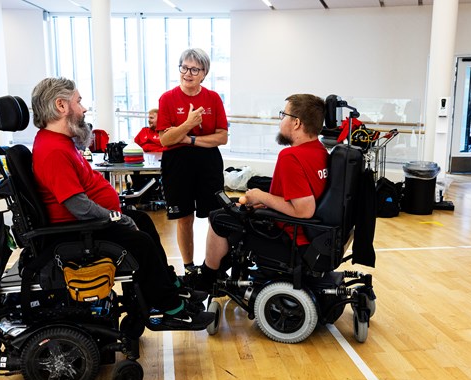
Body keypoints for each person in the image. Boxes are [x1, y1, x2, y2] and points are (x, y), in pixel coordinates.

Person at [30, 77, 213, 330]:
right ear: (61, 106)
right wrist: (115, 217)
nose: (83, 109)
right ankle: (170, 307)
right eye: (79, 102)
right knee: (141, 242)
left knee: (144, 222)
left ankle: (170, 287)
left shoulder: (59, 142)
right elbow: (79, 207)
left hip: (86, 223)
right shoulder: (53, 151)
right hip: (77, 230)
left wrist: (118, 214)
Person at [188, 94, 329, 290]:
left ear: (296, 123)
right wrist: (265, 201)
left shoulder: (291, 156)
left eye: (283, 115)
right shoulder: (319, 151)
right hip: (312, 234)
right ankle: (218, 270)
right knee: (236, 208)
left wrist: (260, 196)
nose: (280, 120)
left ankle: (207, 279)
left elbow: (304, 209)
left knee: (218, 218)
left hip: (291, 237)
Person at [156, 48, 228, 274]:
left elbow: (222, 137)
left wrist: (190, 138)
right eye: (184, 67)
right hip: (177, 162)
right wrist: (187, 124)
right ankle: (189, 267)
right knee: (183, 217)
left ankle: (213, 266)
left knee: (216, 216)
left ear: (204, 73)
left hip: (208, 161)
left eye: (194, 69)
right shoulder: (167, 99)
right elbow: (166, 140)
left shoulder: (213, 98)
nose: (188, 73)